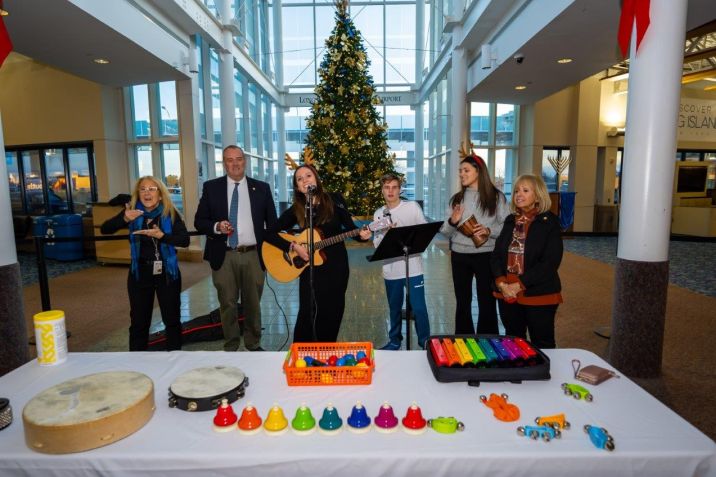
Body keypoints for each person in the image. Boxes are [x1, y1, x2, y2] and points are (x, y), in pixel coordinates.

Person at [264, 164, 371, 342]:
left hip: (336, 266)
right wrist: (292, 246)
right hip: (309, 267)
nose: (305, 180)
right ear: (297, 187)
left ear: (316, 179)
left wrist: (364, 236)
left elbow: (352, 230)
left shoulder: (335, 200)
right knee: (307, 311)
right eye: (300, 179)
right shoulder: (297, 209)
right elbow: (268, 233)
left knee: (333, 310)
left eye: (308, 175)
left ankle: (326, 351)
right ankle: (302, 355)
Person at [194, 145, 277, 352]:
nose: (235, 163)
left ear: (245, 161)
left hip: (253, 255)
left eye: (238, 158)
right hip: (224, 256)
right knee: (228, 303)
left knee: (253, 304)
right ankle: (231, 345)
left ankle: (253, 343)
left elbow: (273, 224)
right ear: (224, 163)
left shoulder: (262, 188)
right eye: (229, 160)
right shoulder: (211, 187)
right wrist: (217, 227)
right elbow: (199, 221)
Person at [101, 176, 189, 351]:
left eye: (152, 189)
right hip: (140, 273)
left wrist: (162, 236)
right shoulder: (132, 212)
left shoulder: (169, 213)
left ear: (161, 195)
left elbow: (184, 240)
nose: (147, 193)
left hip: (167, 273)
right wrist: (124, 219)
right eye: (143, 189)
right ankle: (137, 364)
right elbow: (105, 229)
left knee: (172, 320)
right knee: (139, 323)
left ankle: (175, 360)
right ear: (138, 193)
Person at [440, 154, 510, 335]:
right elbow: (445, 231)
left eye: (466, 170)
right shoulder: (456, 199)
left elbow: (507, 227)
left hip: (486, 255)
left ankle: (488, 340)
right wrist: (453, 221)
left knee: (487, 300)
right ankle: (463, 339)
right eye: (460, 171)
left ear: (478, 172)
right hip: (459, 256)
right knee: (462, 301)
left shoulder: (497, 197)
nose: (462, 174)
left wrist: (489, 231)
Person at [491, 174, 563, 349]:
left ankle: (543, 376)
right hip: (507, 293)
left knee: (542, 343)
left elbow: (550, 263)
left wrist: (518, 285)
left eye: (525, 190)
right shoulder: (510, 220)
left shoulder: (550, 222)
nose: (518, 194)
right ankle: (518, 375)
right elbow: (496, 256)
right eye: (516, 191)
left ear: (538, 195)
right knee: (513, 343)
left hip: (538, 294)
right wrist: (502, 283)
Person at [373, 173, 430, 350]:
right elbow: (377, 245)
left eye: (394, 187)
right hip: (391, 270)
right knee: (394, 309)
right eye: (387, 187)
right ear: (382, 190)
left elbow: (424, 231)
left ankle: (425, 342)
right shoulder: (379, 214)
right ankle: (395, 340)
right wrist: (385, 234)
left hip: (413, 268)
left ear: (400, 189)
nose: (390, 191)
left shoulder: (411, 207)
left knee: (419, 308)